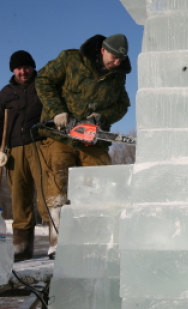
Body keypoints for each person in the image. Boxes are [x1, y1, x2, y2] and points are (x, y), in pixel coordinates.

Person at [36, 34, 131, 259]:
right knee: (59, 181)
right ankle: (57, 243)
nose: (116, 62)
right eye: (114, 57)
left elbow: (123, 105)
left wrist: (103, 117)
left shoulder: (117, 77)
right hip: (61, 135)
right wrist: (57, 110)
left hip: (92, 140)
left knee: (100, 184)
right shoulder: (72, 60)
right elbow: (43, 80)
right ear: (102, 50)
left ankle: (96, 241)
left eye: (121, 59)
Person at [0, 50, 49, 262]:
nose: (22, 71)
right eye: (18, 68)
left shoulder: (44, 84)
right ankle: (22, 249)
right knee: (19, 199)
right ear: (13, 70)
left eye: (26, 67)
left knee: (47, 195)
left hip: (40, 144)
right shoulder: (6, 92)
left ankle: (56, 245)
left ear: (33, 67)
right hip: (14, 150)